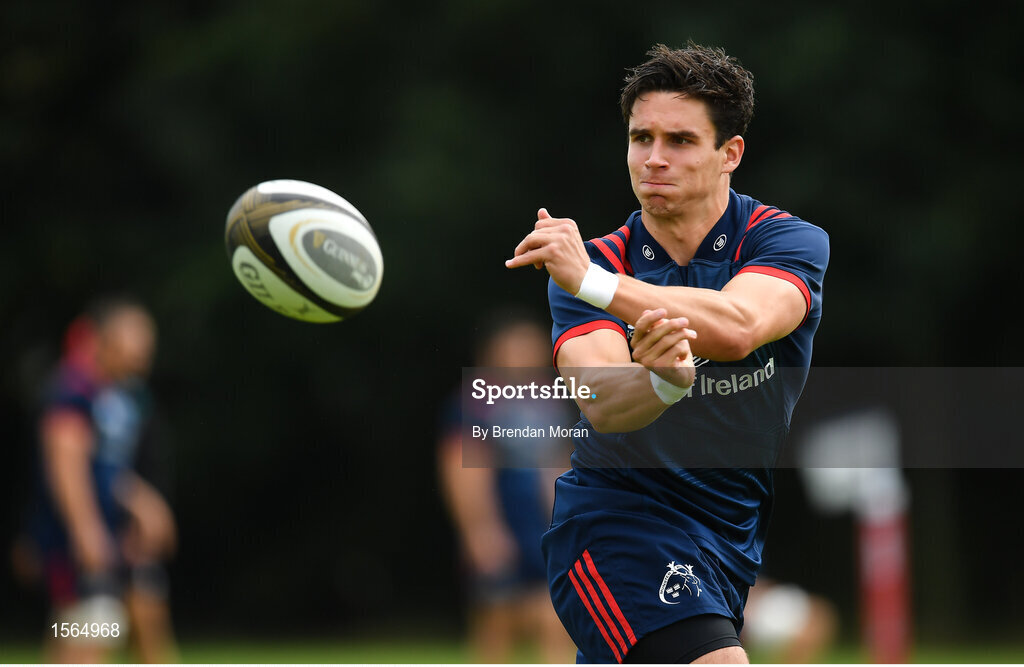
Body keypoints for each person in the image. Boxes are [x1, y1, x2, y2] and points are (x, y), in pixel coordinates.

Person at [506, 43, 829, 663]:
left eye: (679, 140)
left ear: (729, 153)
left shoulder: (784, 240)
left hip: (729, 539)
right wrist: (661, 383)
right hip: (616, 524)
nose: (653, 158)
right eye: (640, 137)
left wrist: (596, 286)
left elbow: (739, 326)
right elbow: (599, 397)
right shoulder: (596, 262)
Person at [26, 297, 179, 663]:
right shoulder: (74, 388)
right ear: (104, 340)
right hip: (77, 540)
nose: (144, 351)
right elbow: (65, 458)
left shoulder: (124, 395)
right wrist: (85, 531)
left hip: (117, 537)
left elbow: (108, 468)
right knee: (89, 628)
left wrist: (143, 502)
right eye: (135, 340)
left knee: (146, 614)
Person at [438, 310, 577, 663]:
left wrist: (565, 524)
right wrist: (479, 529)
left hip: (542, 527)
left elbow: (560, 465)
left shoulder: (552, 401)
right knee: (497, 618)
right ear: (492, 353)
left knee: (555, 615)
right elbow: (460, 467)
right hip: (500, 524)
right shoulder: (475, 401)